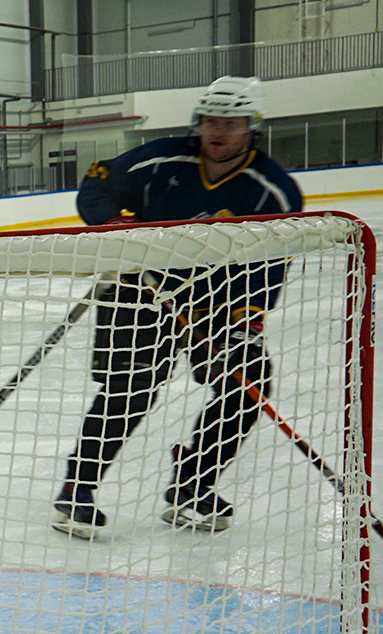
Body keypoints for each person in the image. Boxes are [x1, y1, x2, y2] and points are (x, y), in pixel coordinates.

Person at [51, 75, 303, 539]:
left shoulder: (272, 191)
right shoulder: (161, 158)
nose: (218, 131)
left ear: (253, 127)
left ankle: (192, 485)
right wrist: (113, 223)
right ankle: (77, 489)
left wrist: (245, 321)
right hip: (139, 288)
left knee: (248, 381)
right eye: (210, 120)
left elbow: (269, 266)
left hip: (214, 304)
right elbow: (96, 182)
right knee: (130, 390)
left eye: (231, 122)